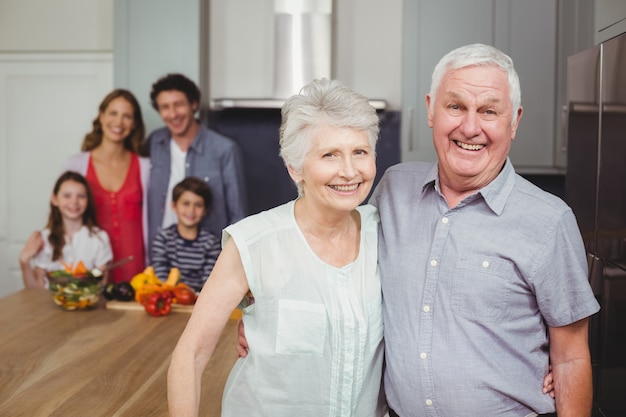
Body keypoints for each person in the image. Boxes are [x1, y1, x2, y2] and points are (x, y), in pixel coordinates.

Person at [369, 43, 600, 416]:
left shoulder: (549, 220)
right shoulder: (392, 191)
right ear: (430, 108)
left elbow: (571, 358)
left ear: (515, 120)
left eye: (489, 110)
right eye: (455, 106)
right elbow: (333, 259)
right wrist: (263, 308)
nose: (470, 127)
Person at [167, 78, 385, 417]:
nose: (349, 171)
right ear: (294, 168)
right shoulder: (254, 242)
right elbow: (191, 353)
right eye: (330, 154)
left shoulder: (385, 232)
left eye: (360, 152)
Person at [145, 73, 247, 256]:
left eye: (179, 104)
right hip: (162, 256)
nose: (173, 114)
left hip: (208, 259)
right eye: (165, 107)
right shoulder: (154, 143)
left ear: (193, 104)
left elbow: (238, 215)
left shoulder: (224, 150)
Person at [65, 89, 149, 283]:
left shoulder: (145, 167)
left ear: (134, 124)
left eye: (127, 116)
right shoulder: (76, 165)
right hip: (88, 266)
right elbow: (62, 214)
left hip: (136, 268)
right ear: (101, 116)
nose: (118, 122)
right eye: (113, 113)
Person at [19, 171, 112, 289]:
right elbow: (35, 291)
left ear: (88, 201)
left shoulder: (99, 238)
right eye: (67, 195)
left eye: (81, 196)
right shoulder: (44, 239)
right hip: (49, 304)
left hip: (86, 303)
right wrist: (24, 262)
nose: (74, 202)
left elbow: (101, 284)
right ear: (55, 199)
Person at [151, 176, 221, 292]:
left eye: (198, 205)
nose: (191, 211)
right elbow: (161, 277)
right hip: (169, 299)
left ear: (205, 210)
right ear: (174, 206)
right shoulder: (163, 239)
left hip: (199, 302)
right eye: (186, 203)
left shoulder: (211, 242)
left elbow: (209, 282)